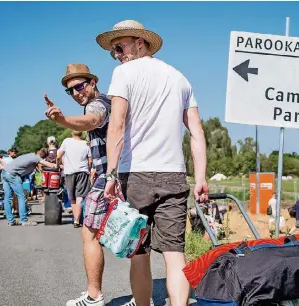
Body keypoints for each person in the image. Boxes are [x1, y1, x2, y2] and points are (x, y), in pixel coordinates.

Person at [99, 20, 208, 306]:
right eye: (113, 51)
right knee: (175, 255)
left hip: (134, 175)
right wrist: (200, 179)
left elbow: (117, 124)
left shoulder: (123, 73)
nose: (117, 54)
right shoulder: (180, 78)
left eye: (119, 47)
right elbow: (196, 132)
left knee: (139, 252)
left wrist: (110, 175)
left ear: (139, 42)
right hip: (174, 175)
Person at [44, 64, 113, 306]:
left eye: (80, 86)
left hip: (110, 178)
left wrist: (62, 120)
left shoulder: (99, 104)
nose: (76, 93)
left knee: (91, 233)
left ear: (93, 82)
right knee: (133, 236)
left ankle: (95, 296)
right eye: (70, 90)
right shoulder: (107, 101)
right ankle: (142, 293)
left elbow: (91, 120)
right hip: (109, 176)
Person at [2, 148, 57, 226]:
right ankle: (24, 220)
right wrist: (58, 165)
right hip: (12, 174)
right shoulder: (36, 158)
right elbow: (50, 165)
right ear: (43, 156)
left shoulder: (30, 155)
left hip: (5, 172)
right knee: (21, 196)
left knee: (7, 198)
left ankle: (11, 221)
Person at [57, 130, 92, 228]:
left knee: (72, 197)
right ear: (81, 134)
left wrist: (58, 164)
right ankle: (77, 220)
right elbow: (90, 160)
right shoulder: (85, 143)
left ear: (72, 133)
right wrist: (89, 169)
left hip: (69, 172)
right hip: (82, 172)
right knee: (80, 197)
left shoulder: (67, 141)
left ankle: (75, 219)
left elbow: (59, 155)